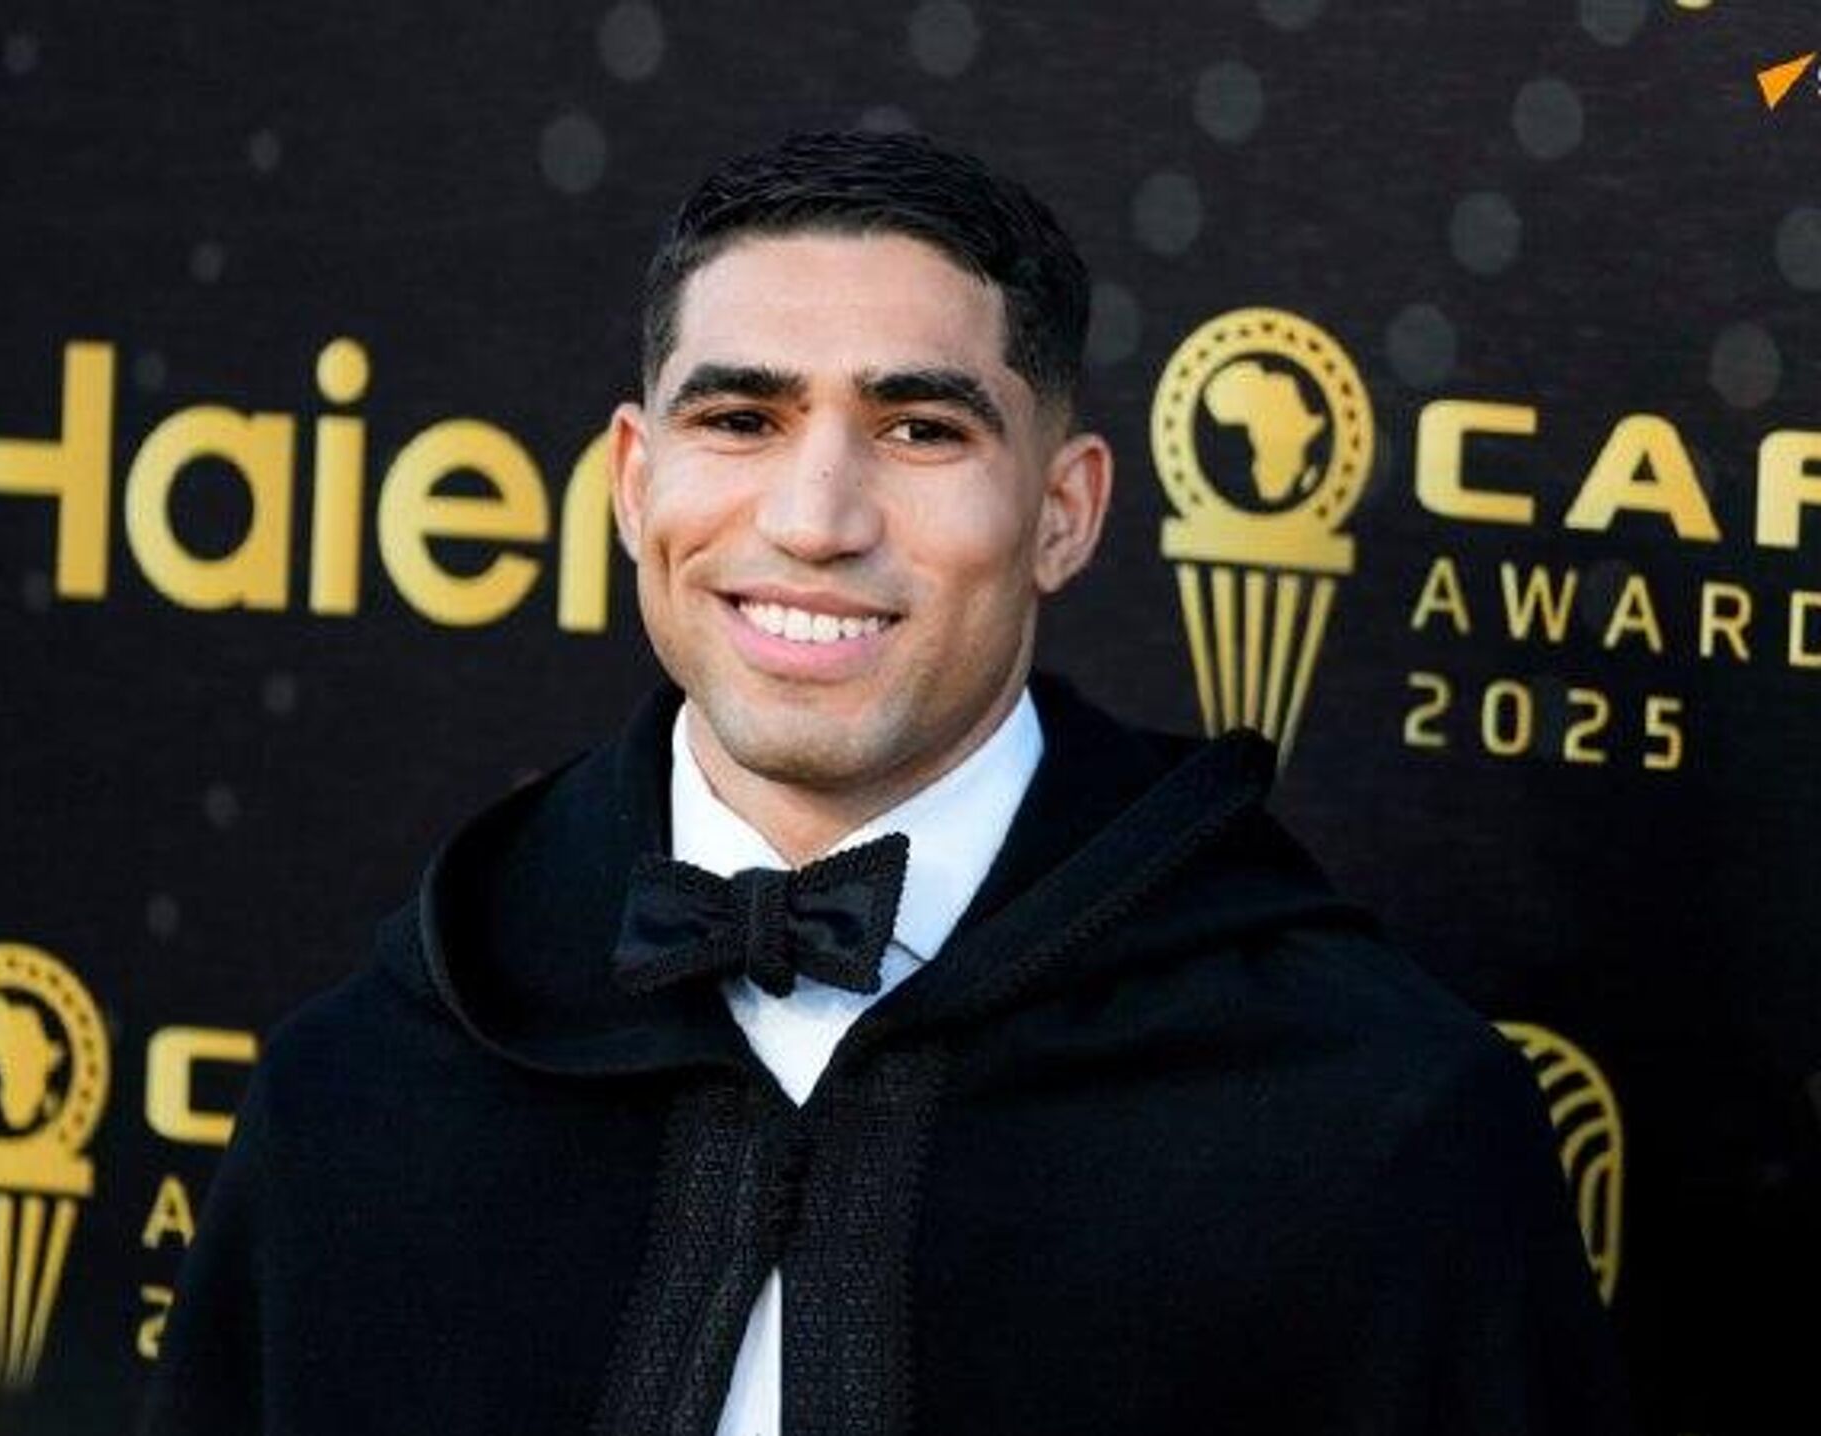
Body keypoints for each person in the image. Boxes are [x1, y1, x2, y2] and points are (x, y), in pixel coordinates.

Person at [142, 131, 1631, 1436]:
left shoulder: (1374, 1118)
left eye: (921, 429)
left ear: (1063, 512)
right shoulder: (372, 1085)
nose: (817, 518)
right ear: (634, 483)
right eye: (741, 419)